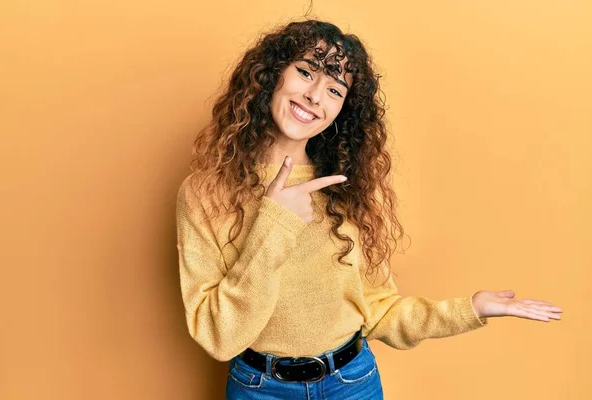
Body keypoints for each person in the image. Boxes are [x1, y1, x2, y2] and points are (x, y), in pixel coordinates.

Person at [175, 19, 563, 400]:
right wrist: (275, 221)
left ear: (342, 110)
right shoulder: (206, 193)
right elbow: (218, 337)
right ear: (273, 74)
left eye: (334, 89)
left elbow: (377, 310)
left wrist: (469, 309)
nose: (314, 96)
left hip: (351, 384)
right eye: (306, 72)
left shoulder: (348, 189)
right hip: (259, 389)